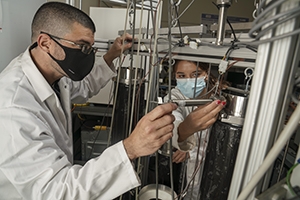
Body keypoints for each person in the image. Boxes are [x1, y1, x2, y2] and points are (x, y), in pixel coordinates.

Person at [0, 2, 224, 199]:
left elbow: (84, 87)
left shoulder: (54, 74)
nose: (88, 54)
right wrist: (130, 148)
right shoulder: (13, 106)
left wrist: (112, 55)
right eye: (82, 46)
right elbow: (56, 192)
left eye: (91, 47)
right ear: (46, 42)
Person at [164, 60, 228, 199]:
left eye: (196, 74)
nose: (189, 81)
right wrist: (184, 134)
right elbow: (173, 120)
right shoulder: (175, 96)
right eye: (181, 76)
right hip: (191, 168)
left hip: (216, 164)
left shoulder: (220, 97)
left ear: (207, 74)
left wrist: (188, 147)